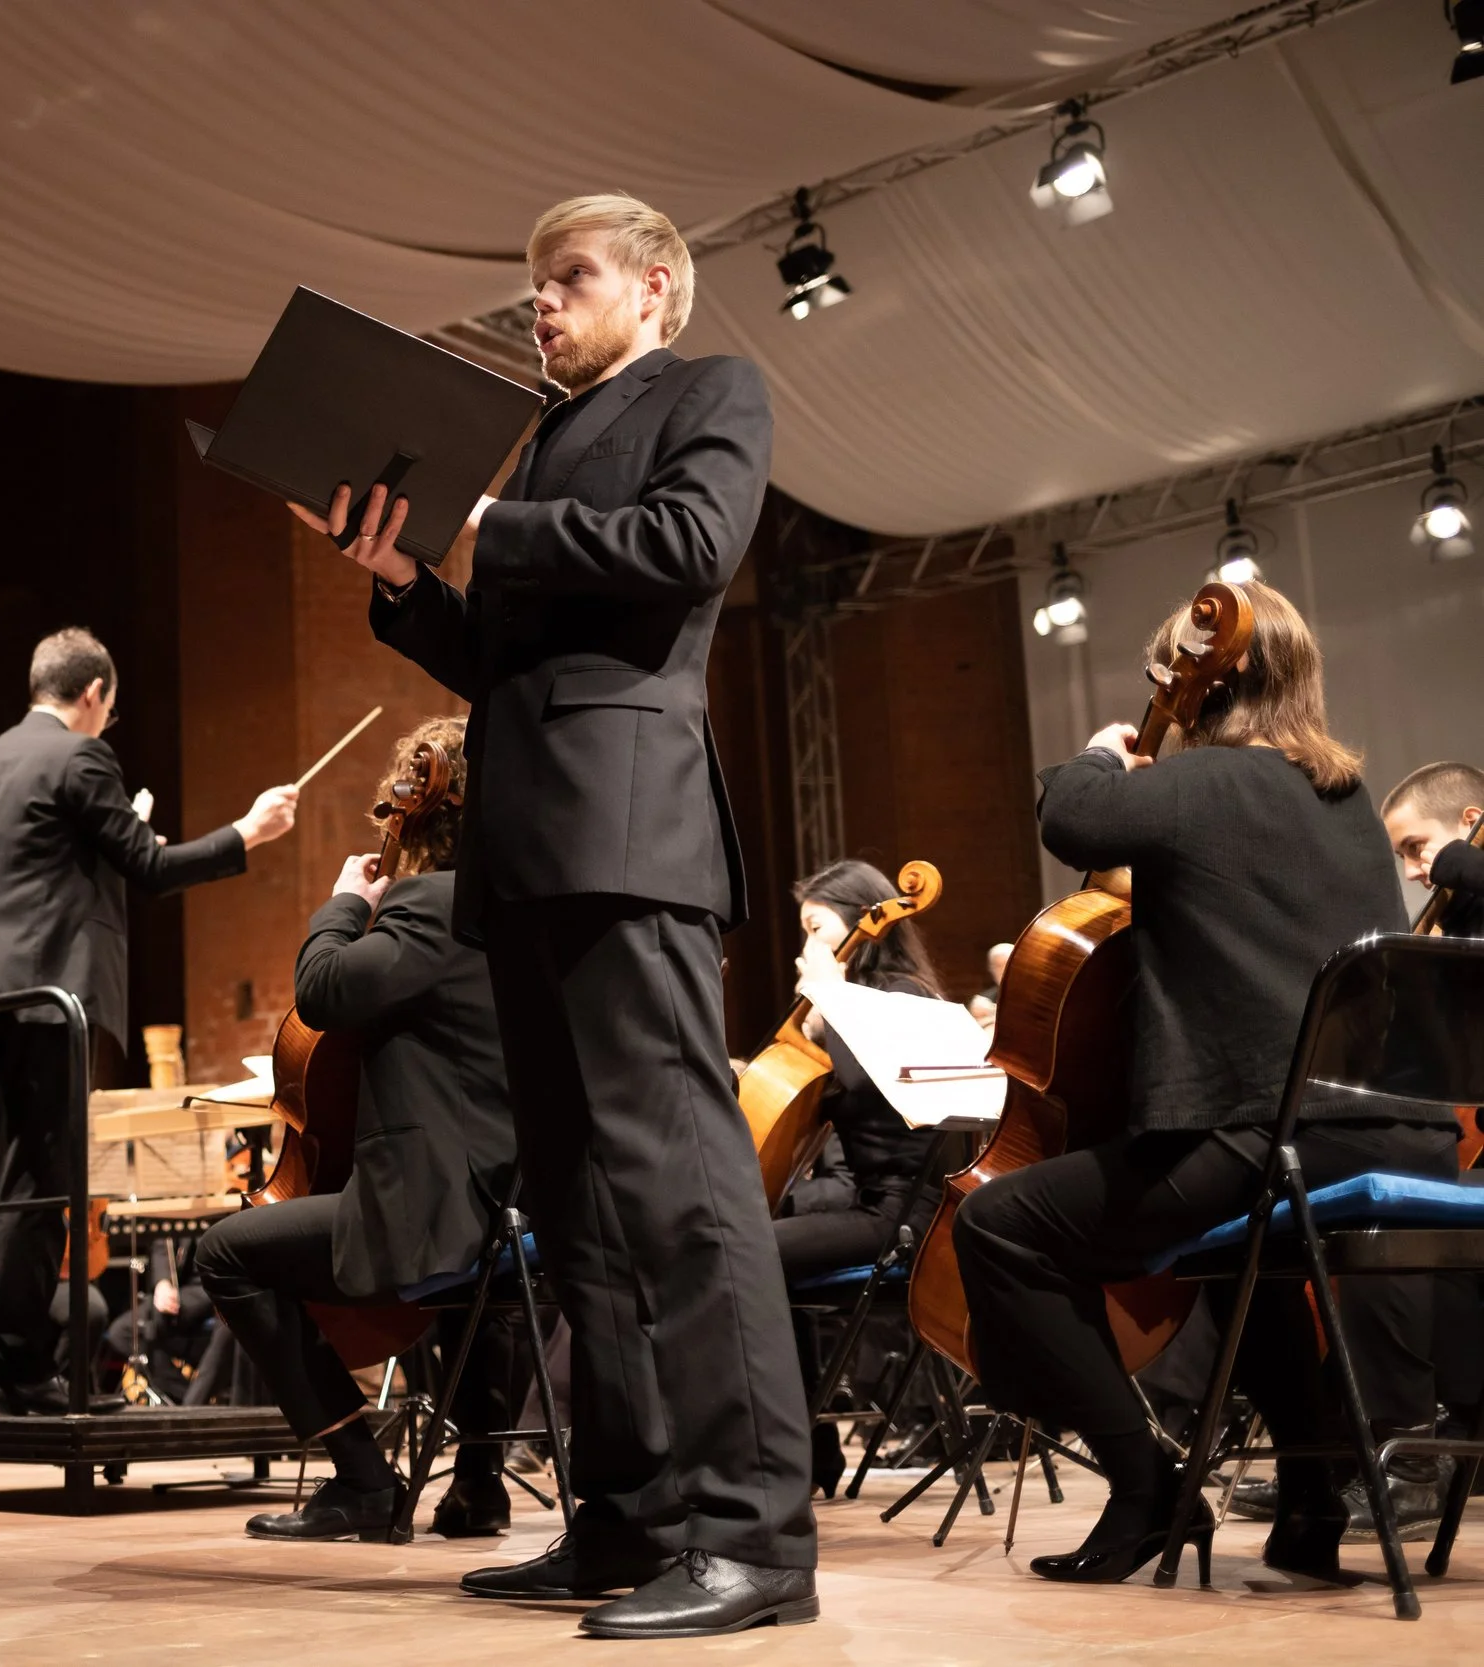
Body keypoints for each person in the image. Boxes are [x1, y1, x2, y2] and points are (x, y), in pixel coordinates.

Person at [298, 192, 815, 1637]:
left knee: (685, 1187)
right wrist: (405, 573)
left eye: (567, 279)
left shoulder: (710, 390)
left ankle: (755, 1532)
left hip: (629, 830)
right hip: (524, 847)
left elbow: (689, 544)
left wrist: (484, 520)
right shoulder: (541, 442)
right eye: (532, 285)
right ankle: (624, 1515)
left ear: (654, 291)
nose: (540, 303)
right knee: (579, 1200)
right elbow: (503, 665)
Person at [951, 581, 1461, 1586]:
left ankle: (1142, 1479)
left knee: (997, 1228)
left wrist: (1106, 745)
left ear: (1214, 682)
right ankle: (1310, 1499)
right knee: (1230, 1258)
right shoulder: (1348, 801)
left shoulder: (1211, 784)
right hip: (1380, 1128)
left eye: (1174, 680)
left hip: (1261, 1130)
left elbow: (1075, 813)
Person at [0, 627, 298, 1416]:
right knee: (41, 1184)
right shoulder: (82, 757)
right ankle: (20, 1371)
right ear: (93, 695)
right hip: (47, 997)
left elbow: (32, 867)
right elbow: (147, 871)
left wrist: (117, 838)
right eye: (109, 712)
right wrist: (246, 833)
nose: (106, 724)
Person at [193, 718, 526, 1544]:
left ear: (415, 808)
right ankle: (478, 1486)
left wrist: (347, 902)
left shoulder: (429, 905)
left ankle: (362, 1478)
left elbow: (326, 991)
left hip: (432, 1212)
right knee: (477, 1291)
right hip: (519, 1206)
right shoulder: (526, 909)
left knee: (224, 1253)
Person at [771, 860, 949, 1495]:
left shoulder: (901, 998)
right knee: (753, 1246)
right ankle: (805, 1447)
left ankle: (776, 1452)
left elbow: (865, 1080)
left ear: (861, 927)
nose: (804, 952)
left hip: (904, 1217)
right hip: (879, 1208)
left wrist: (829, 997)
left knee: (733, 1253)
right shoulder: (865, 1005)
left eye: (816, 930)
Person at [1382, 760, 1484, 939]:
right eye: (1401, 856)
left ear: (1472, 822)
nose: (1409, 873)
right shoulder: (1447, 923)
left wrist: (1468, 866)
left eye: (1415, 847)